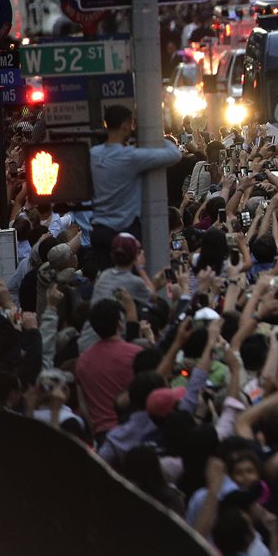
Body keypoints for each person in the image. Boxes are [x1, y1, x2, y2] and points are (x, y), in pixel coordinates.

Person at [89, 104, 182, 268]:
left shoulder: (93, 154)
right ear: (126, 126)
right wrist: (156, 136)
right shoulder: (130, 157)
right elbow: (174, 154)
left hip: (99, 230)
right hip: (125, 232)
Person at [74, 297, 142, 440]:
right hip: (133, 429)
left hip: (101, 433)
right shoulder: (136, 354)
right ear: (120, 324)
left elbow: (83, 405)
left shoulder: (82, 361)